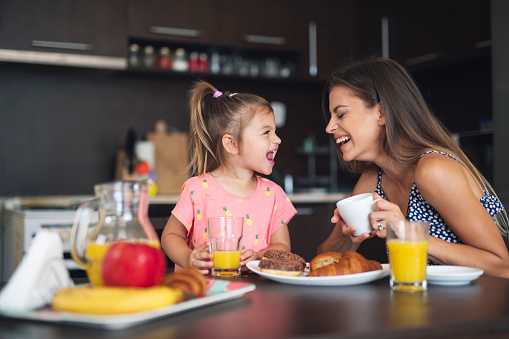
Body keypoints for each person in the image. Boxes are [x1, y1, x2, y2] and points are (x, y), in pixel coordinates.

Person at [318, 57, 509, 278]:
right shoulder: (374, 181)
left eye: (341, 114)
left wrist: (407, 233)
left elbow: (502, 266)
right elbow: (325, 263)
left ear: (382, 112)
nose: (329, 127)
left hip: (481, 307)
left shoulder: (433, 170)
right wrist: (346, 232)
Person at [161, 80, 297, 274]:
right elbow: (170, 235)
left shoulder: (273, 194)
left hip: (255, 295)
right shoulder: (196, 190)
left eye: (275, 132)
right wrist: (188, 258)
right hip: (202, 292)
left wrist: (259, 256)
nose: (277, 139)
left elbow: (283, 246)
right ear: (231, 144)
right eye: (266, 132)